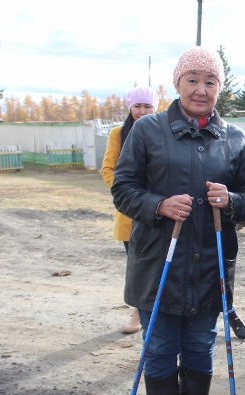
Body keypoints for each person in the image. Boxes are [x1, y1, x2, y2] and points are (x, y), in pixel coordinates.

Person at [111, 47, 245, 395]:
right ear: (176, 85)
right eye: (192, 79)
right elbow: (123, 189)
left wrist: (230, 199)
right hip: (158, 262)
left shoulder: (234, 138)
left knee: (198, 347)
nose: (201, 89)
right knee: (158, 349)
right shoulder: (148, 131)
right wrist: (158, 205)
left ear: (219, 89)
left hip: (209, 264)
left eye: (210, 81)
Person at [101, 86, 158, 334]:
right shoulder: (118, 134)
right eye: (138, 106)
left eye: (148, 107)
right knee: (138, 268)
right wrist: (131, 194)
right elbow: (108, 169)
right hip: (131, 213)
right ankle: (138, 313)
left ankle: (157, 313)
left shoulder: (162, 131)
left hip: (161, 209)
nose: (142, 112)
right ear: (130, 108)